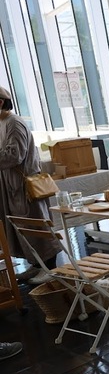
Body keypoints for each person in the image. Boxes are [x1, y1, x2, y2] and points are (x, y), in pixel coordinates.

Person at [0, 87, 62, 285]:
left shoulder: (14, 123)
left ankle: (50, 268)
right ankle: (37, 265)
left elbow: (15, 155)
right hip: (13, 186)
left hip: (25, 186)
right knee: (23, 228)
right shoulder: (3, 122)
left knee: (36, 226)